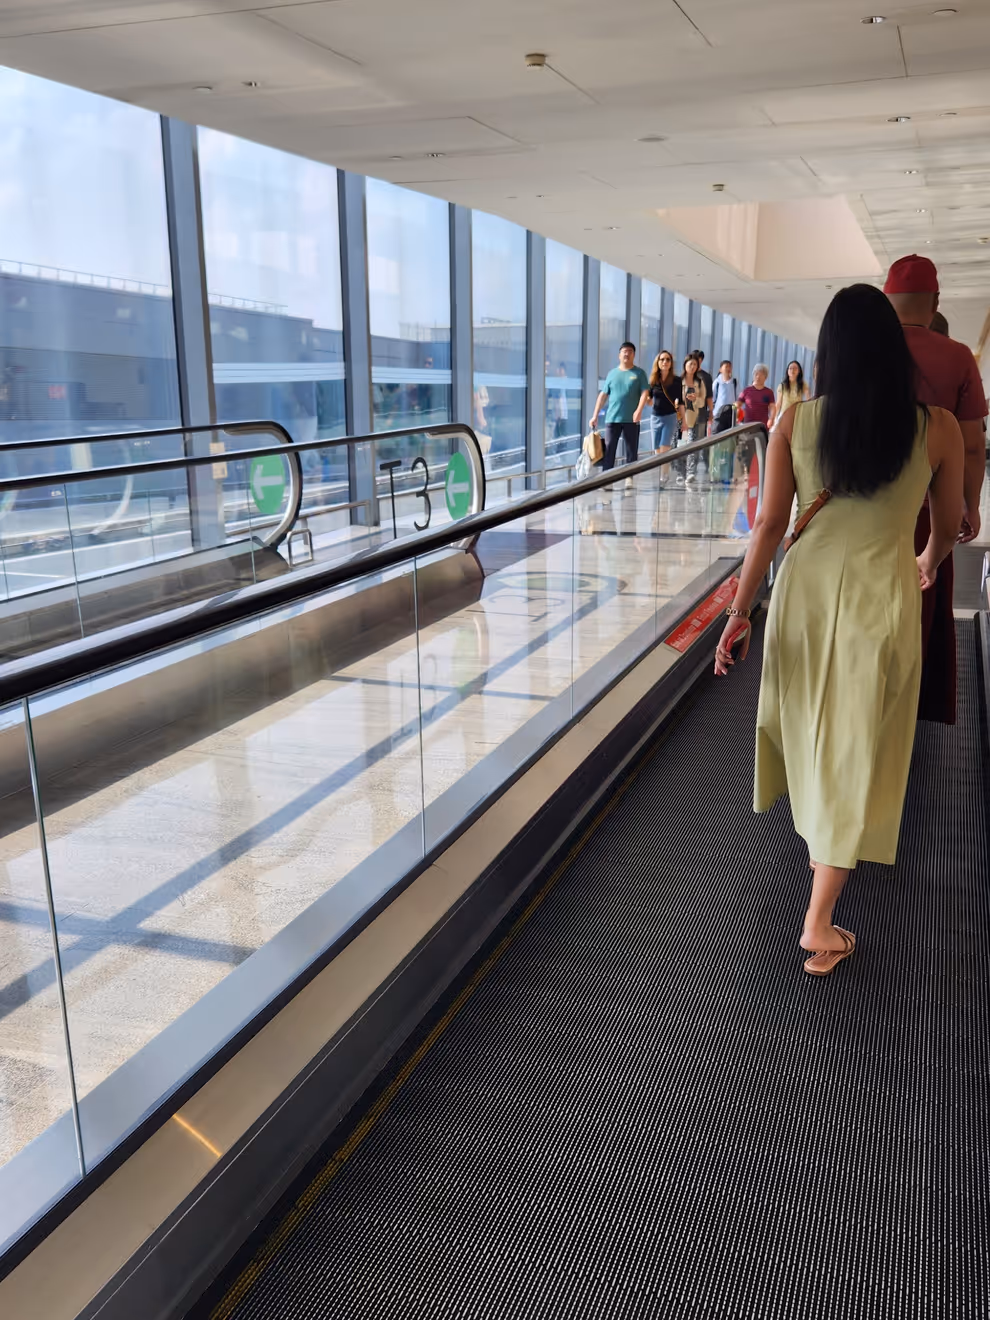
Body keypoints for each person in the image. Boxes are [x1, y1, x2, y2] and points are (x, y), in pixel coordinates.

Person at [714, 284, 963, 976]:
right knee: (859, 747)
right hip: (880, 600)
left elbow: (767, 527)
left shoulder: (794, 423)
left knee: (815, 732)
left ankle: (820, 880)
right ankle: (819, 922)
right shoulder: (936, 427)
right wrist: (929, 560)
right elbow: (949, 523)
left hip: (805, 595)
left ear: (827, 354)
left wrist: (737, 614)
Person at [884, 253, 989, 724]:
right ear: (936, 302)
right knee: (921, 599)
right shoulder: (957, 357)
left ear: (885, 300)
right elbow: (970, 445)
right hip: (928, 502)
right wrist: (971, 503)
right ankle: (913, 707)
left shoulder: (861, 350)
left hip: (862, 506)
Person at [589, 341, 650, 484]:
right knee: (609, 451)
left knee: (631, 451)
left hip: (631, 420)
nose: (627, 353)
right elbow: (603, 395)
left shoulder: (639, 373)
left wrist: (639, 411)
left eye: (630, 351)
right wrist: (595, 415)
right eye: (624, 351)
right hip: (612, 419)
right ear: (619, 355)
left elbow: (645, 393)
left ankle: (630, 478)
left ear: (634, 355)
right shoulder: (612, 374)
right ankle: (605, 479)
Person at [736, 364, 776, 481]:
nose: (758, 377)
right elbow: (738, 403)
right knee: (747, 450)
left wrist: (771, 419)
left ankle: (761, 473)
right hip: (748, 426)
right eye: (756, 374)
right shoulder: (747, 390)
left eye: (761, 374)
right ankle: (747, 472)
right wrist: (736, 410)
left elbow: (773, 407)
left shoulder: (768, 392)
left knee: (762, 450)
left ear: (765, 377)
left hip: (762, 427)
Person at [647, 350, 683, 470]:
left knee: (664, 447)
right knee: (657, 449)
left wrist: (684, 421)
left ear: (671, 363)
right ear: (657, 362)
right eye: (662, 359)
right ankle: (660, 474)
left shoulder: (676, 380)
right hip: (655, 417)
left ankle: (664, 475)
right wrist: (645, 399)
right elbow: (650, 400)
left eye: (668, 359)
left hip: (670, 417)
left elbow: (681, 401)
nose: (665, 362)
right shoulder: (653, 380)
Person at [677, 353, 707, 486]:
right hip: (679, 418)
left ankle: (690, 473)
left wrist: (696, 399)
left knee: (691, 445)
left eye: (695, 364)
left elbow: (702, 401)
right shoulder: (678, 381)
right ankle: (680, 473)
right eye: (691, 364)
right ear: (685, 365)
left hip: (692, 418)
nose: (693, 366)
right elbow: (673, 398)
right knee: (679, 446)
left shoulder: (699, 382)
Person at [711, 360, 738, 432]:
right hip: (718, 414)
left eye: (730, 367)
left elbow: (738, 398)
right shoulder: (717, 382)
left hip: (731, 414)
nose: (728, 369)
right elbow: (712, 398)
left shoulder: (734, 382)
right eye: (726, 367)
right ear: (720, 370)